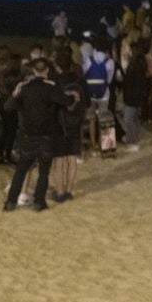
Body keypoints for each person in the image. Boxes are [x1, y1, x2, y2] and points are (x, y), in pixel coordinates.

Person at [2, 57, 80, 212]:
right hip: (46, 136)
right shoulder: (50, 88)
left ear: (33, 71)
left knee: (21, 170)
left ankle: (11, 202)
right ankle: (39, 202)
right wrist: (74, 97)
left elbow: (7, 107)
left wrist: (15, 93)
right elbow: (66, 101)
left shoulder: (24, 88)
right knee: (44, 171)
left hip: (27, 136)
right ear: (46, 71)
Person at [48, 49, 86, 202]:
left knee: (59, 160)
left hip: (59, 124)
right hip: (76, 124)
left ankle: (60, 191)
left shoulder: (55, 83)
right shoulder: (79, 81)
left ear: (57, 65)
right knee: (72, 157)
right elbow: (86, 103)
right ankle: (69, 191)